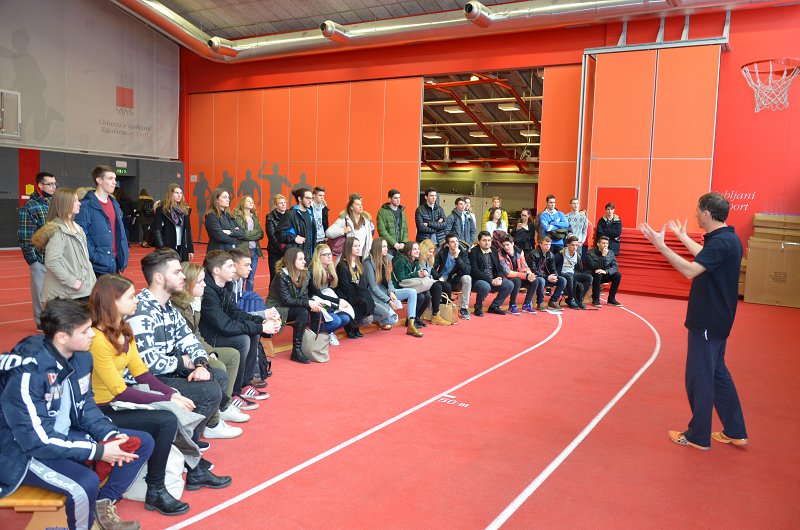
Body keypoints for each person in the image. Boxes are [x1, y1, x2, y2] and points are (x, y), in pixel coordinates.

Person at [0, 298, 153, 530]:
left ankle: (103, 502)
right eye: (85, 331)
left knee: (141, 442)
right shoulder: (29, 374)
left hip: (62, 435)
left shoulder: (81, 357)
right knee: (84, 484)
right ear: (62, 337)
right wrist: (98, 451)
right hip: (21, 451)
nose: (93, 334)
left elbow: (86, 406)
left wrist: (110, 435)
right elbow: (37, 441)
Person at [640, 192, 749, 451]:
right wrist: (682, 237)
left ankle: (698, 436)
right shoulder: (728, 239)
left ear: (707, 214)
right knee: (718, 374)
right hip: (719, 319)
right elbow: (705, 257)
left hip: (708, 321)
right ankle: (735, 430)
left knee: (700, 378)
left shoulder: (721, 243)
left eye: (698, 210)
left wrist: (661, 246)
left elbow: (690, 270)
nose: (695, 214)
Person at [88, 275, 191, 516]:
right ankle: (155, 488)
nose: (137, 301)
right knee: (165, 419)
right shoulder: (97, 340)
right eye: (131, 297)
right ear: (113, 301)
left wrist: (171, 393)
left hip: (116, 405)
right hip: (99, 410)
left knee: (171, 413)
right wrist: (166, 399)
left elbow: (141, 372)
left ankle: (164, 483)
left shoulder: (125, 330)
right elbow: (119, 390)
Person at [128, 249, 240, 452]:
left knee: (218, 375)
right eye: (177, 272)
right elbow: (148, 363)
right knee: (210, 391)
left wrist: (200, 364)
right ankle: (183, 446)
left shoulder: (168, 308)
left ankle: (188, 439)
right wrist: (183, 362)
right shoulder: (141, 310)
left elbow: (190, 340)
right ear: (159, 278)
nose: (183, 277)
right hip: (144, 381)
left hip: (167, 371)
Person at [170, 261, 249, 420]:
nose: (204, 284)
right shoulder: (178, 307)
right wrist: (203, 355)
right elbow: (182, 341)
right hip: (183, 355)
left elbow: (196, 334)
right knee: (218, 366)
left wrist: (210, 351)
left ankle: (224, 405)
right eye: (200, 281)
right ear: (188, 283)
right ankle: (214, 417)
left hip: (197, 348)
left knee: (233, 355)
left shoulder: (194, 302)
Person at [200, 250, 278, 407]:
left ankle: (244, 383)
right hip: (207, 337)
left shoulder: (226, 285)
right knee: (242, 339)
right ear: (216, 270)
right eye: (230, 266)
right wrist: (260, 326)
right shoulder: (207, 291)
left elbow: (235, 313)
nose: (233, 269)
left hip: (218, 330)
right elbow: (224, 325)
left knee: (253, 333)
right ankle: (234, 393)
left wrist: (261, 321)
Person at [31, 187, 97, 302]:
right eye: (75, 200)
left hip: (82, 290)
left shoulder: (78, 228)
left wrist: (91, 282)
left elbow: (85, 260)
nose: (79, 203)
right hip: (67, 294)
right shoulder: (58, 231)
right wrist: (73, 282)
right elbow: (52, 262)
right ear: (65, 204)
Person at [265, 247, 322, 363]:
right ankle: (296, 351)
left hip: (291, 305)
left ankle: (312, 344)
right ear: (291, 261)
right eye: (300, 259)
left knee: (315, 309)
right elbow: (287, 301)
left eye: (304, 259)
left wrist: (311, 304)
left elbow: (303, 296)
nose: (304, 262)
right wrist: (308, 303)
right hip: (277, 308)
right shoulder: (281, 276)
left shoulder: (304, 274)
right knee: (303, 311)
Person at [75, 166, 129, 276]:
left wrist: (123, 255)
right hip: (96, 267)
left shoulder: (115, 204)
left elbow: (120, 234)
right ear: (99, 180)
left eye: (115, 179)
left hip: (114, 263)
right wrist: (95, 256)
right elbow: (80, 235)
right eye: (110, 179)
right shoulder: (85, 206)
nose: (114, 182)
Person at [18, 171, 55, 330]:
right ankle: (41, 322)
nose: (54, 187)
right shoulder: (30, 206)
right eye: (50, 184)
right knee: (40, 293)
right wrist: (33, 260)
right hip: (39, 258)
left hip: (55, 256)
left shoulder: (53, 202)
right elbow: (25, 236)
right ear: (40, 185)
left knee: (56, 292)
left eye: (55, 184)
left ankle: (55, 320)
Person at [308, 243, 353, 346]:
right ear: (318, 257)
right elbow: (317, 294)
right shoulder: (313, 271)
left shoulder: (329, 269)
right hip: (315, 302)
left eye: (330, 254)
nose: (329, 257)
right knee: (336, 321)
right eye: (325, 254)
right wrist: (338, 301)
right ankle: (316, 334)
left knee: (346, 318)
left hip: (326, 301)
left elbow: (330, 290)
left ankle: (329, 332)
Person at [335, 237, 376, 339]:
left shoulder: (358, 264)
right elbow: (345, 286)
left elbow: (361, 283)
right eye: (355, 246)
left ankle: (356, 326)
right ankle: (350, 328)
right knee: (358, 301)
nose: (358, 248)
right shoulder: (343, 265)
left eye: (359, 246)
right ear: (349, 248)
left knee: (365, 301)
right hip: (347, 295)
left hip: (356, 293)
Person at [362, 238, 403, 332]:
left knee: (411, 292)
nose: (386, 249)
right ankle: (371, 318)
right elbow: (374, 288)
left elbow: (389, 281)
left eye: (386, 246)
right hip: (373, 295)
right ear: (377, 248)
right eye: (383, 246)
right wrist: (388, 301)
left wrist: (391, 292)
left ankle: (411, 321)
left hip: (385, 292)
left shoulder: (386, 259)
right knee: (393, 319)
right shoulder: (368, 263)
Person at [468, 231, 513, 316]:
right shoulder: (473, 252)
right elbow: (474, 271)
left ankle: (494, 306)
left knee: (509, 284)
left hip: (493, 279)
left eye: (489, 240)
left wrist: (499, 278)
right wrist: (490, 280)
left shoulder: (493, 250)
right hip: (478, 280)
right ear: (479, 241)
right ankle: (478, 307)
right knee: (485, 286)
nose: (487, 242)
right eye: (484, 240)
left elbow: (499, 268)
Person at [391, 241, 432, 330]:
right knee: (420, 296)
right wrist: (416, 274)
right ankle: (409, 320)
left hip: (411, 286)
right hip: (399, 287)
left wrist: (423, 272)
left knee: (427, 295)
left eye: (418, 249)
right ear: (408, 251)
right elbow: (400, 279)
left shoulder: (415, 261)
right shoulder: (400, 261)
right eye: (414, 249)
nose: (418, 251)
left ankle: (417, 317)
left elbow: (418, 274)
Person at [432, 233, 473, 320]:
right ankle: (436, 309)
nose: (455, 243)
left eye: (456, 241)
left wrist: (457, 258)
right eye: (452, 242)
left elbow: (467, 271)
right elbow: (433, 268)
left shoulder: (462, 253)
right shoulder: (442, 253)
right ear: (447, 244)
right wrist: (438, 277)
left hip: (455, 280)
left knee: (467, 278)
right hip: (443, 278)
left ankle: (464, 308)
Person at [150, 183, 194, 262]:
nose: (179, 195)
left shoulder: (185, 210)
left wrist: (190, 249)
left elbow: (188, 231)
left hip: (182, 246)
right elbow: (157, 230)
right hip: (167, 247)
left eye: (181, 193)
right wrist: (162, 248)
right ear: (171, 194)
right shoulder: (162, 210)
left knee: (181, 268)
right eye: (176, 193)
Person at [326, 192, 375, 257]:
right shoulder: (345, 220)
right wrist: (343, 230)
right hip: (348, 257)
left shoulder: (366, 221)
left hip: (363, 257)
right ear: (351, 207)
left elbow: (369, 240)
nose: (360, 206)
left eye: (361, 204)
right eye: (357, 204)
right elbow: (328, 233)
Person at [418, 239, 453, 326]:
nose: (431, 254)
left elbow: (431, 272)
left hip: (428, 281)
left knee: (447, 286)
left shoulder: (428, 260)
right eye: (429, 252)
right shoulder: (418, 260)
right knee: (437, 286)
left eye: (432, 252)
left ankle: (443, 311)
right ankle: (435, 315)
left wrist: (438, 278)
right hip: (420, 283)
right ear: (424, 250)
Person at [498, 235, 537, 314]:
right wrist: (525, 276)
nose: (505, 247)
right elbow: (507, 272)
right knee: (517, 281)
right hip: (507, 278)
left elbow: (524, 265)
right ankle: (512, 305)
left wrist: (530, 274)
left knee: (535, 280)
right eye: (504, 245)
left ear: (512, 243)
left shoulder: (519, 251)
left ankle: (527, 304)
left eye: (507, 244)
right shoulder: (500, 254)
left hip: (519, 275)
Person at [232, 195, 264, 291]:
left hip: (254, 250)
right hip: (243, 250)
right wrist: (253, 233)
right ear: (243, 203)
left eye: (252, 201)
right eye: (248, 201)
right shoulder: (237, 217)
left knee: (251, 277)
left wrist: (246, 234)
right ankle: (239, 294)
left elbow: (260, 233)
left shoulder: (254, 217)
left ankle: (249, 295)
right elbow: (240, 233)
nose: (251, 203)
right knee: (241, 275)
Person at [277, 187, 316, 260]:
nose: (310, 201)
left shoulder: (310, 213)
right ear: (300, 199)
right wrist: (294, 238)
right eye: (308, 198)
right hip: (296, 255)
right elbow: (279, 234)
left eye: (311, 198)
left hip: (310, 254)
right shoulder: (290, 214)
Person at [529, 236, 567, 311]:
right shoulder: (533, 254)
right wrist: (547, 277)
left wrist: (555, 276)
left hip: (547, 277)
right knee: (541, 280)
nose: (548, 246)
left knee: (563, 280)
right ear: (540, 244)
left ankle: (553, 301)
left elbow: (553, 269)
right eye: (545, 244)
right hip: (536, 277)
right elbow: (533, 271)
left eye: (549, 244)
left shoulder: (551, 255)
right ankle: (540, 303)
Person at [555, 235, 592, 310]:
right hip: (562, 273)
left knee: (589, 278)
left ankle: (579, 298)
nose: (575, 247)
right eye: (572, 245)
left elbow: (579, 269)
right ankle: (571, 299)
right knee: (569, 276)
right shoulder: (560, 254)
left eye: (576, 245)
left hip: (572, 274)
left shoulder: (577, 255)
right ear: (568, 245)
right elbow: (553, 266)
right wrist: (556, 275)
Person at [584, 235, 623, 307]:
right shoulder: (589, 253)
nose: (605, 245)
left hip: (604, 274)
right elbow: (594, 267)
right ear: (598, 244)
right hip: (592, 275)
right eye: (603, 243)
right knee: (598, 273)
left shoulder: (610, 253)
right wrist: (603, 255)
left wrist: (606, 271)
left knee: (617, 275)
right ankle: (595, 299)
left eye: (607, 243)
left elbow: (615, 267)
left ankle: (611, 299)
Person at [204, 188, 243, 252]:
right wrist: (236, 238)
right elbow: (219, 236)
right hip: (218, 252)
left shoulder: (229, 215)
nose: (228, 200)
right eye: (225, 197)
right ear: (216, 200)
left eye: (228, 197)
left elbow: (242, 232)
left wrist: (230, 232)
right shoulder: (211, 216)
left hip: (231, 251)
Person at [376, 189, 409, 258]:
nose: (398, 200)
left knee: (399, 264)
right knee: (386, 264)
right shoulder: (382, 212)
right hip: (388, 246)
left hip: (400, 247)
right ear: (390, 199)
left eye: (399, 197)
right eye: (395, 198)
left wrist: (403, 242)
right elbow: (382, 231)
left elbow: (405, 229)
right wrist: (394, 244)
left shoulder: (402, 211)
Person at [265, 193, 288, 279]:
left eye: (284, 202)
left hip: (287, 249)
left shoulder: (290, 215)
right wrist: (281, 247)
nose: (283, 204)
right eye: (281, 203)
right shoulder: (270, 217)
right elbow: (271, 235)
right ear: (275, 205)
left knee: (287, 274)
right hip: (275, 251)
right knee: (275, 275)